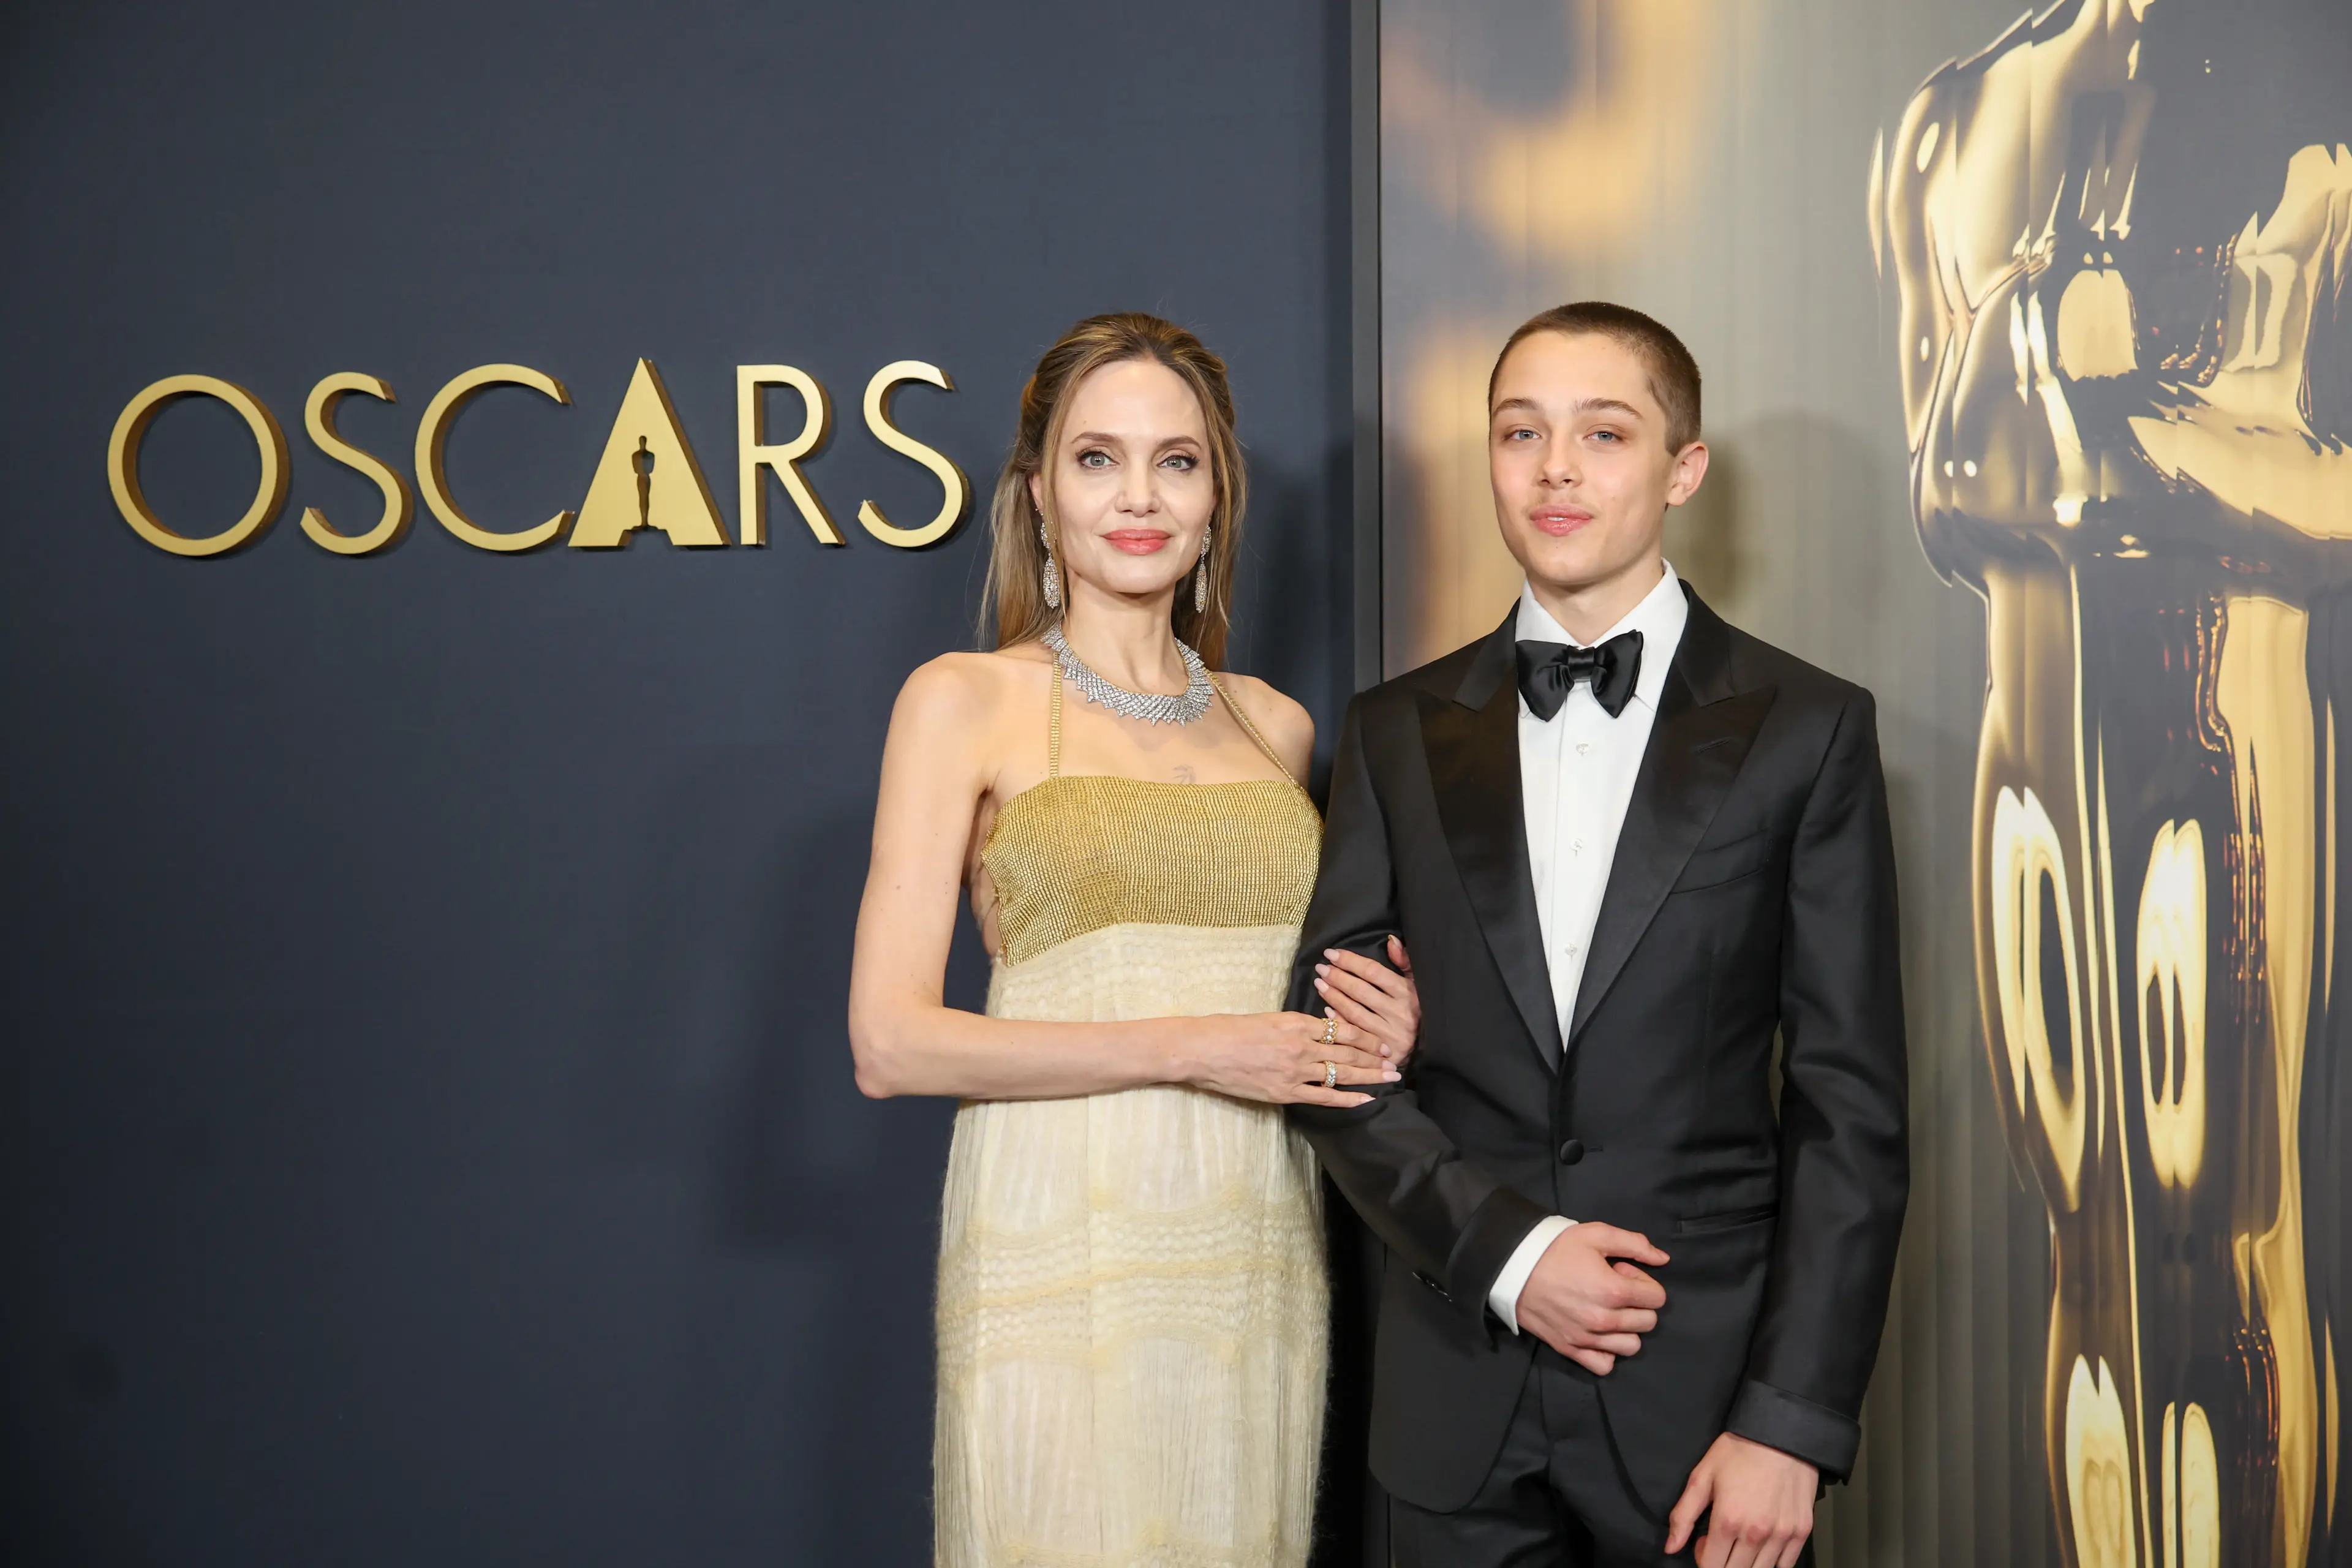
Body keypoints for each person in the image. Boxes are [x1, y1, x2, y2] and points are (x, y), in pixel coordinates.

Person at [1291, 303, 1909, 1567]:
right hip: (1449, 1394)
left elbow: (1851, 1109)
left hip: (1705, 1413)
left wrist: (1790, 1423)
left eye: (1603, 432)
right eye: (1521, 431)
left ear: (1683, 468)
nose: (1556, 467)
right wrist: (1513, 1253)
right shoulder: (1391, 730)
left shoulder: (1809, 728)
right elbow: (1332, 1060)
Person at [847, 311, 1424, 1568]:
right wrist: (1199, 1044)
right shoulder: (967, 700)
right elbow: (890, 1041)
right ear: (1038, 492)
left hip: (1253, 1232)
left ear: (1218, 497)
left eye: (1178, 460)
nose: (1139, 496)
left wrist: (1386, 1017)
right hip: (1063, 1224)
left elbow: (1313, 999)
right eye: (1097, 458)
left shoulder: (1275, 726)